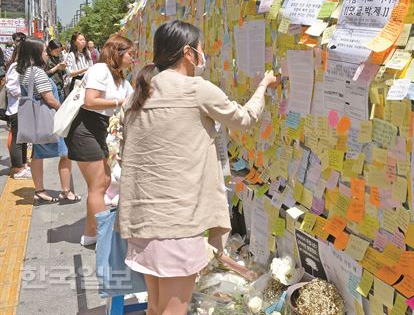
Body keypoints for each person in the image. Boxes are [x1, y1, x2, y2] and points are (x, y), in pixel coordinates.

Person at [118, 20, 276, 315]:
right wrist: (263, 86)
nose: (205, 56)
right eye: (202, 49)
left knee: (155, 306)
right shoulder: (196, 89)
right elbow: (243, 119)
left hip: (142, 219)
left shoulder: (139, 93)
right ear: (189, 53)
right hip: (178, 221)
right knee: (173, 310)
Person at [65, 34, 134, 246]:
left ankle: (90, 233)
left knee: (101, 183)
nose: (133, 58)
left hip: (101, 129)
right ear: (117, 53)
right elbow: (90, 100)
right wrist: (118, 101)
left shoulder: (121, 78)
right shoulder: (100, 70)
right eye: (130, 54)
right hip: (85, 128)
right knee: (99, 185)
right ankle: (104, 239)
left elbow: (134, 98)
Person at [16, 37, 80, 204]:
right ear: (35, 52)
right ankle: (66, 191)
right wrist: (65, 112)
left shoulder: (23, 71)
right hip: (48, 120)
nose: (46, 53)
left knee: (37, 154)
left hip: (35, 121)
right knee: (65, 154)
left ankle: (39, 190)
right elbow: (49, 99)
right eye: (44, 50)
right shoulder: (37, 72)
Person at [5, 44, 30, 179]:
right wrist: (27, 93)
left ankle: (23, 164)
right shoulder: (16, 67)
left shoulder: (22, 66)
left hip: (22, 107)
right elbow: (12, 88)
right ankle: (18, 168)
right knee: (17, 139)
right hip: (16, 108)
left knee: (23, 138)